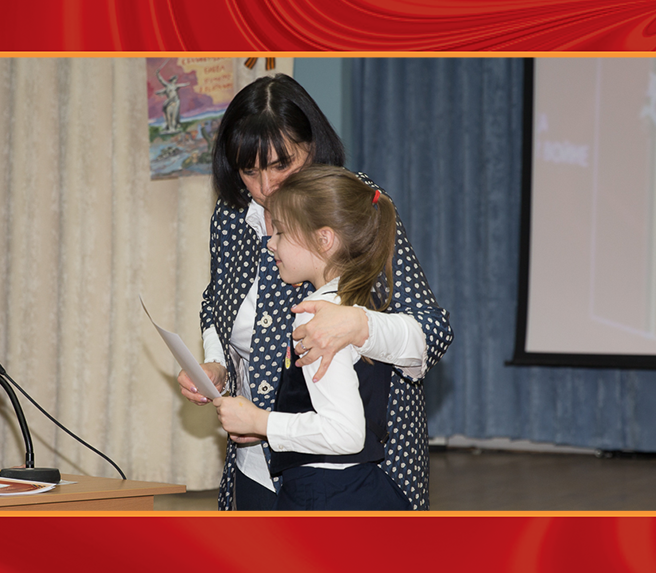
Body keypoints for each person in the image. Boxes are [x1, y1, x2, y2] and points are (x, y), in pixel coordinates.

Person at [177, 74, 451, 511]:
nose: (266, 188)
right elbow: (216, 302)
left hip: (357, 475)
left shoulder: (348, 205)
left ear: (313, 146)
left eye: (281, 165)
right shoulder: (231, 216)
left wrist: (360, 325)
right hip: (257, 466)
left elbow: (432, 331)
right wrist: (215, 363)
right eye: (250, 171)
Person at [213, 165, 409, 510]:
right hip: (358, 486)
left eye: (281, 232)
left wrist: (260, 421)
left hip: (324, 494)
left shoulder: (318, 315)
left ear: (323, 239)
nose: (271, 243)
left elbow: (344, 433)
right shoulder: (363, 299)